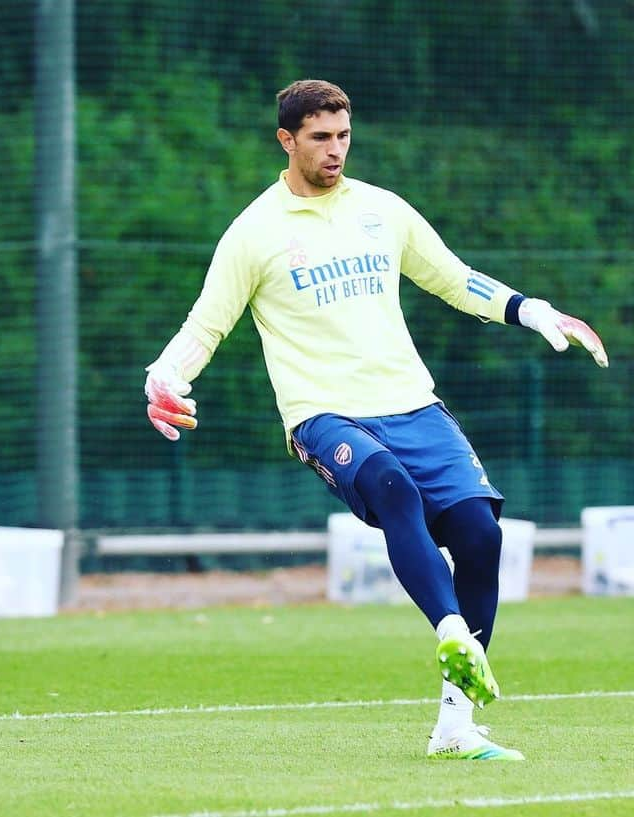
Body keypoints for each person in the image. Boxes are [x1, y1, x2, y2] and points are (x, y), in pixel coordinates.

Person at [144, 79, 608, 761]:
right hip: (323, 413)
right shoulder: (255, 232)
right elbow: (205, 324)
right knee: (392, 487)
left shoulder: (382, 211)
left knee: (481, 534)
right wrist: (165, 374)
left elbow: (454, 278)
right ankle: (450, 627)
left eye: (344, 136)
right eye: (320, 138)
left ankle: (456, 725)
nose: (336, 151)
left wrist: (530, 308)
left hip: (412, 404)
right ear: (287, 140)